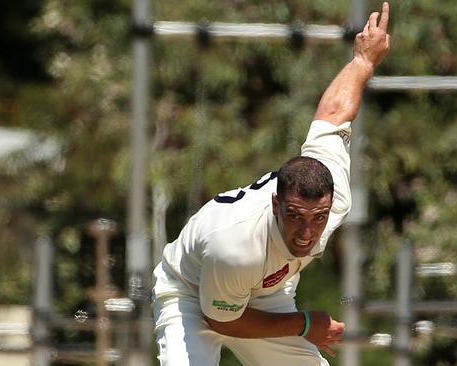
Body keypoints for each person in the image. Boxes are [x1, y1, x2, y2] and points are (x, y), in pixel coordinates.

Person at [152, 3, 390, 365]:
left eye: (318, 217)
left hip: (262, 291)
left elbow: (332, 115)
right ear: (277, 205)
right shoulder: (236, 243)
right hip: (190, 291)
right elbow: (222, 320)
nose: (308, 233)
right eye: (296, 216)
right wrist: (306, 323)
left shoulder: (335, 193)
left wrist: (362, 63)